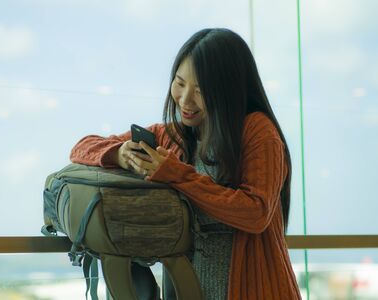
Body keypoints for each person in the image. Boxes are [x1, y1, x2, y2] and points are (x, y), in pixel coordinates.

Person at [70, 28, 301, 300]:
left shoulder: (257, 131)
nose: (185, 99)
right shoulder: (173, 136)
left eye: (201, 90)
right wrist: (118, 154)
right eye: (180, 83)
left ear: (228, 90)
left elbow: (256, 212)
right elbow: (82, 147)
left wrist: (177, 175)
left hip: (255, 290)